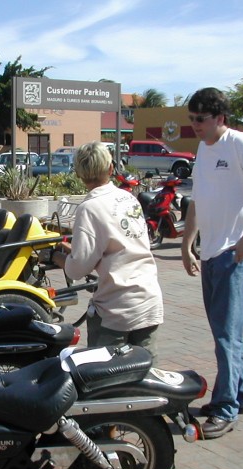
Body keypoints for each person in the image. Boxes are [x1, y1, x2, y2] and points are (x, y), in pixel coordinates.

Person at [181, 87, 243, 439]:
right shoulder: (203, 149)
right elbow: (197, 199)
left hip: (234, 254)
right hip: (211, 251)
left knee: (227, 336)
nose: (195, 125)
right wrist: (187, 243)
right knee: (225, 333)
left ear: (220, 117)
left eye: (201, 119)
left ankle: (225, 408)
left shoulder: (240, 144)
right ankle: (239, 394)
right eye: (191, 118)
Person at [52, 141, 163, 351]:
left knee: (106, 380)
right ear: (111, 169)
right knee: (145, 375)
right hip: (148, 300)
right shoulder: (129, 199)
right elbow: (124, 245)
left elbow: (78, 269)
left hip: (117, 308)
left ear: (78, 174)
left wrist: (57, 258)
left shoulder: (89, 208)